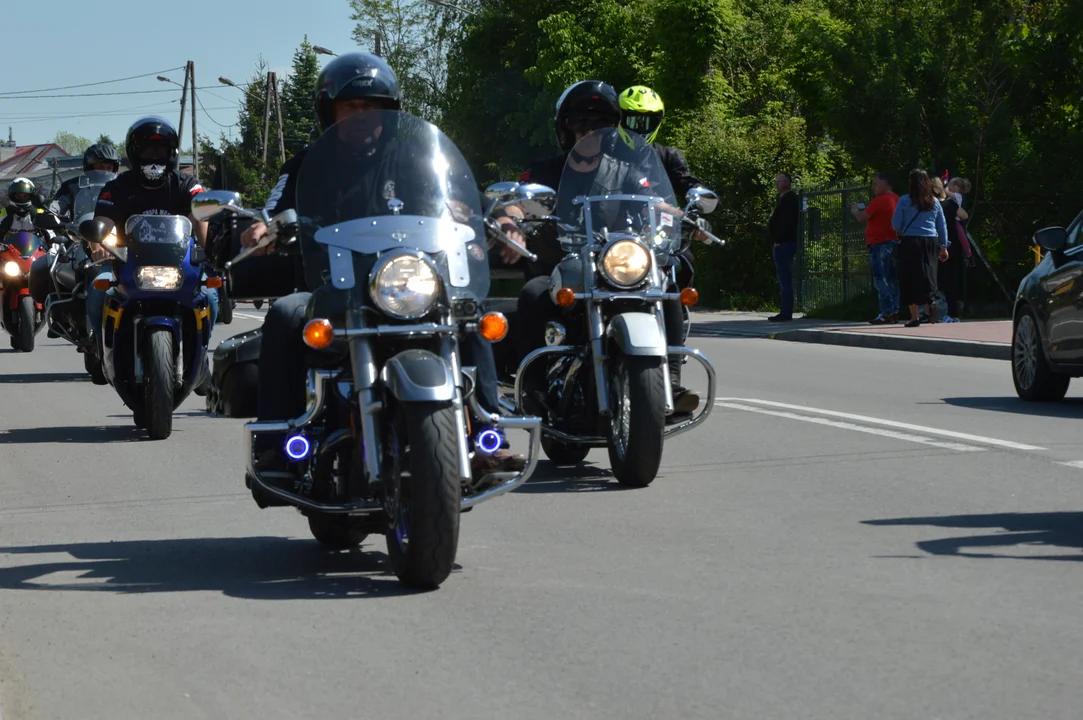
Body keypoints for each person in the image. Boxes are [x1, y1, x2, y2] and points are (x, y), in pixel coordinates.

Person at [238, 52, 526, 476]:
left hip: (409, 286)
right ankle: (275, 446)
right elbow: (272, 210)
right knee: (285, 312)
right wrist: (262, 228)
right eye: (350, 106)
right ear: (329, 112)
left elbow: (470, 200)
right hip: (333, 289)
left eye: (371, 107)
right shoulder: (306, 165)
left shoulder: (414, 160)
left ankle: (488, 432)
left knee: (468, 308)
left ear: (389, 113)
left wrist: (505, 218)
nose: (361, 116)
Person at [90, 116, 217, 361]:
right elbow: (102, 223)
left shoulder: (187, 184)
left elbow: (200, 215)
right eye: (148, 150)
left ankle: (200, 356)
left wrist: (210, 246)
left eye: (160, 150)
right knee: (97, 292)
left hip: (180, 267)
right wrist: (97, 245)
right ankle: (100, 349)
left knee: (210, 297)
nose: (154, 157)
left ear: (172, 153)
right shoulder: (116, 187)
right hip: (127, 265)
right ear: (135, 153)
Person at [618, 84, 711, 414]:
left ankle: (671, 376)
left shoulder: (668, 156)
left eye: (647, 121)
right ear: (620, 119)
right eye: (633, 120)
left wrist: (696, 208)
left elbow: (688, 183)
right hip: (611, 239)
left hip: (655, 240)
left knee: (674, 277)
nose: (640, 128)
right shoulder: (607, 154)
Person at [891, 169, 948, 328]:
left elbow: (896, 224)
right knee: (928, 274)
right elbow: (942, 225)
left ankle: (914, 317)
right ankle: (930, 303)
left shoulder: (904, 200)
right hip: (931, 242)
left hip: (910, 241)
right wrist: (944, 246)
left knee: (910, 278)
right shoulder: (934, 202)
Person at [850, 172, 900, 324]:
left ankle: (886, 312)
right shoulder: (897, 199)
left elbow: (862, 217)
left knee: (880, 278)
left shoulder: (880, 200)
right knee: (892, 278)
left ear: (885, 183)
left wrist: (855, 211)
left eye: (876, 184)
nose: (873, 187)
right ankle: (894, 311)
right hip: (894, 242)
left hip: (879, 244)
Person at [50, 142, 121, 221]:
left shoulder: (120, 187)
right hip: (80, 227)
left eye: (109, 167)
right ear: (90, 167)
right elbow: (59, 204)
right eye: (100, 167)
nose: (105, 171)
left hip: (113, 228)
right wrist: (51, 212)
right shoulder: (72, 186)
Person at [767, 172, 799, 322]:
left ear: (787, 182)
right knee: (783, 278)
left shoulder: (789, 200)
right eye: (776, 181)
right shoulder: (784, 199)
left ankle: (786, 311)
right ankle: (785, 310)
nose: (777, 184)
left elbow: (786, 222)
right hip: (783, 242)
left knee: (785, 278)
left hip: (784, 243)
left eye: (779, 181)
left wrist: (778, 239)